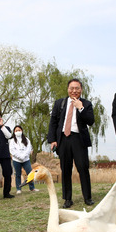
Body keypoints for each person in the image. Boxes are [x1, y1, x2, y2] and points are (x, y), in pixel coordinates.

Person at [48, 79, 95, 208]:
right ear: (68, 89)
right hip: (63, 139)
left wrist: (81, 108)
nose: (74, 91)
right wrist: (53, 139)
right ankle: (67, 199)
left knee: (83, 168)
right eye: (72, 88)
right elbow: (53, 122)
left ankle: (88, 197)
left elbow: (90, 121)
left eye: (77, 88)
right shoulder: (60, 103)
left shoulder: (86, 104)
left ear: (81, 90)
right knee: (66, 169)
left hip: (79, 139)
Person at [10, 125, 39, 194]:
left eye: (19, 130)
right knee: (18, 174)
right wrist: (20, 156)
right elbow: (12, 150)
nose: (18, 132)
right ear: (14, 132)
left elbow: (29, 149)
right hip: (16, 160)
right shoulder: (12, 141)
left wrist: (24, 156)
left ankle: (32, 188)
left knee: (30, 173)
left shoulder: (26, 139)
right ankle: (18, 188)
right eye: (16, 130)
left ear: (22, 131)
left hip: (26, 160)